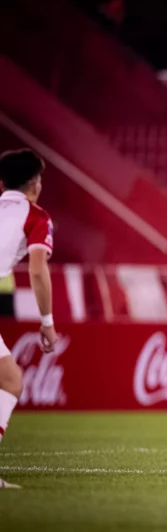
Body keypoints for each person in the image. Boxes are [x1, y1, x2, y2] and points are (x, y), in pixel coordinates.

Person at [0, 149, 58, 489]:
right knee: (9, 381)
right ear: (35, 185)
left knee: (9, 378)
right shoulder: (36, 216)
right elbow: (38, 269)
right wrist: (47, 321)